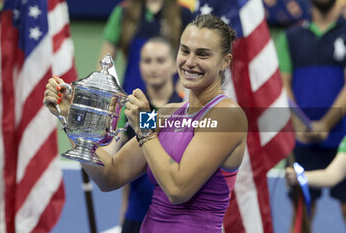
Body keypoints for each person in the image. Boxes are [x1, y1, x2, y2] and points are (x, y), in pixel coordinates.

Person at [43, 14, 247, 233]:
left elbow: (178, 189)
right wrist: (73, 118)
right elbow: (110, 175)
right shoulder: (165, 113)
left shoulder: (228, 115)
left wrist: (144, 129)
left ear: (225, 61)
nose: (190, 61)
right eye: (185, 50)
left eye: (202, 54)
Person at [276, 0, 346, 228]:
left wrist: (326, 123)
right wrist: (299, 125)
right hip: (302, 140)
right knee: (301, 215)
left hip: (342, 138)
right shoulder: (291, 37)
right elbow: (282, 84)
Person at [109, 37, 183, 233]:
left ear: (174, 66)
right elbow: (114, 161)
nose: (153, 67)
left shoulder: (184, 110)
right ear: (139, 66)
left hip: (175, 220)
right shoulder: (130, 110)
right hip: (136, 219)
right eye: (147, 61)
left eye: (160, 60)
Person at [99, 0, 192, 95]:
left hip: (170, 97)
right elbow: (105, 60)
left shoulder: (183, 12)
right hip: (131, 93)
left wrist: (180, 91)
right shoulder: (123, 11)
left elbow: (190, 55)